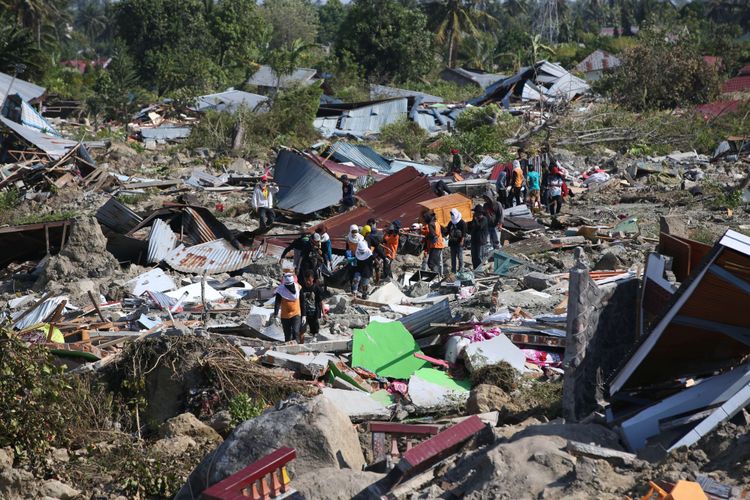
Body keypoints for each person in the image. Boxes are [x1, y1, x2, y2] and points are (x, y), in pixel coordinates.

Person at [270, 273, 302, 343]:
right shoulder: (281, 290)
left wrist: (304, 314)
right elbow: (277, 302)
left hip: (296, 313)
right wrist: (275, 314)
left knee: (295, 331)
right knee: (287, 335)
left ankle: (296, 348)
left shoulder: (298, 287)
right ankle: (288, 350)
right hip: (285, 315)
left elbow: (302, 300)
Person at [300, 269, 324, 343]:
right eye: (306, 280)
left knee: (314, 328)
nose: (307, 282)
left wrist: (324, 313)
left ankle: (314, 339)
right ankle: (301, 343)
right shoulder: (302, 288)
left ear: (313, 279)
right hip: (303, 312)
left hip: (314, 312)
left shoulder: (316, 288)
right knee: (302, 329)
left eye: (309, 280)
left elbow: (320, 301)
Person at [444, 208, 466, 274]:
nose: (452, 215)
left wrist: (462, 240)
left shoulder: (462, 222)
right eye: (451, 214)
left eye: (452, 214)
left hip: (459, 242)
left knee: (460, 257)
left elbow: (464, 233)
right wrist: (444, 235)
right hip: (452, 242)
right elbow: (447, 230)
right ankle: (453, 270)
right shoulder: (451, 222)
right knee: (453, 257)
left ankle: (461, 270)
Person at [469, 205, 490, 269]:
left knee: (479, 257)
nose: (474, 213)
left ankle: (479, 272)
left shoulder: (484, 219)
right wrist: (473, 220)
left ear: (479, 213)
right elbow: (470, 228)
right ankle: (475, 271)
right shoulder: (475, 220)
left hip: (480, 242)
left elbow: (479, 227)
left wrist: (475, 220)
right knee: (474, 257)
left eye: (475, 212)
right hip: (474, 241)